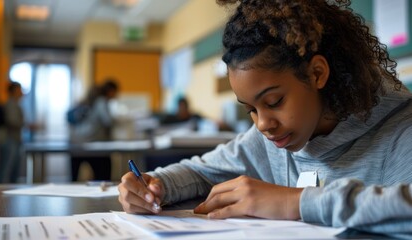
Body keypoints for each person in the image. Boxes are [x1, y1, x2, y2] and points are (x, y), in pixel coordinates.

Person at [118, 0, 412, 238]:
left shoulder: (401, 129)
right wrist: (155, 186)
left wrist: (294, 202)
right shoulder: (269, 137)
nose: (262, 124)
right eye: (251, 110)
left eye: (274, 102)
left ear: (317, 73)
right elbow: (201, 171)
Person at [69, 79, 119, 181]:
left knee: (74, 179)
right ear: (110, 91)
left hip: (76, 145)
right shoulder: (101, 101)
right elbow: (108, 121)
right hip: (95, 146)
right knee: (103, 179)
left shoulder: (84, 101)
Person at [0, 81, 24, 183]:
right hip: (9, 141)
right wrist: (25, 124)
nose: (22, 92)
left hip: (14, 140)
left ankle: (11, 196)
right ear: (15, 91)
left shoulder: (16, 104)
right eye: (20, 89)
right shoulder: (10, 104)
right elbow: (12, 121)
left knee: (13, 171)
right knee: (5, 171)